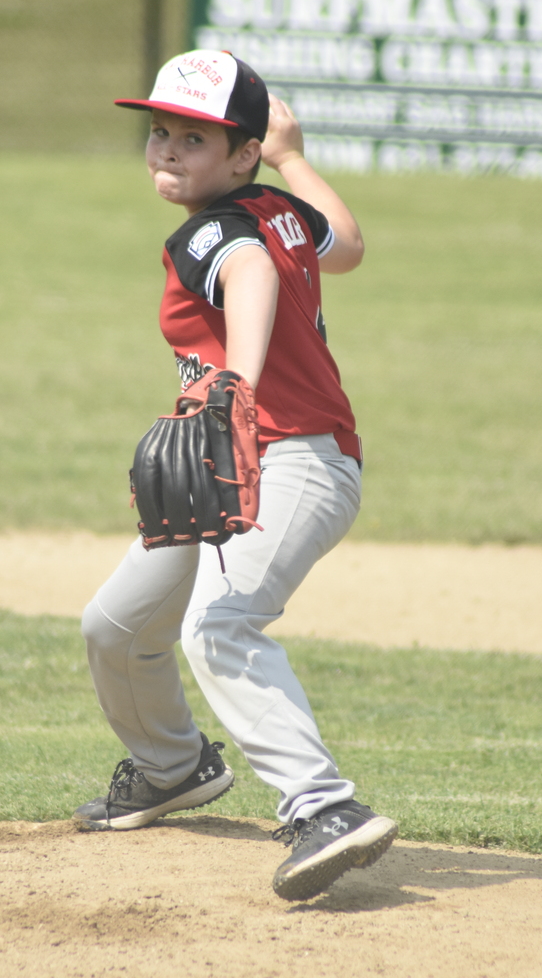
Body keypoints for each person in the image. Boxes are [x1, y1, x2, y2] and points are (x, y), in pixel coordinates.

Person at [73, 49, 397, 902]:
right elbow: (351, 246)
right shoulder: (277, 206)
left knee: (218, 625)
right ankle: (172, 767)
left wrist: (237, 388)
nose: (169, 152)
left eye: (196, 139)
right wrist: (294, 158)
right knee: (116, 625)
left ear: (239, 154)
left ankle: (324, 807)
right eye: (160, 133)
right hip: (242, 463)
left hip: (291, 458)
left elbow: (246, 272)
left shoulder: (213, 231)